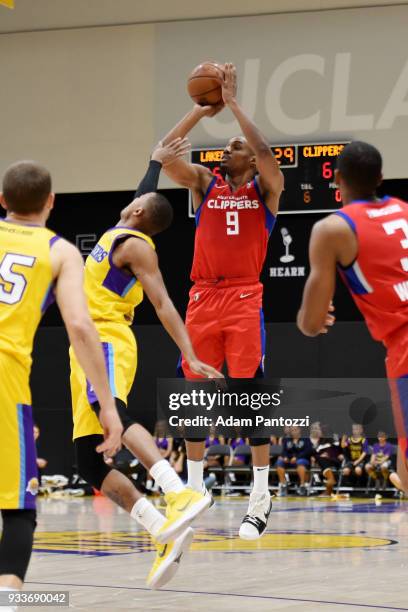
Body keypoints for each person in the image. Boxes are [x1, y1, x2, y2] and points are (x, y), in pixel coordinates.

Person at [69, 139, 223, 589]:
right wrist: (157, 159)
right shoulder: (122, 233)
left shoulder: (137, 246)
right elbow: (146, 189)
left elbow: (162, 302)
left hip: (105, 338)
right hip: (84, 345)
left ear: (138, 213)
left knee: (114, 410)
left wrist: (190, 351)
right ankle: (164, 531)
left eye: (136, 200)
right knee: (88, 462)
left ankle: (179, 491)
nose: (133, 198)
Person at [161, 63, 284, 540]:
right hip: (202, 297)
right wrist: (198, 110)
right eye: (228, 143)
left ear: (251, 161)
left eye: (235, 146)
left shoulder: (265, 191)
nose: (227, 147)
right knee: (193, 396)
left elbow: (266, 150)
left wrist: (232, 105)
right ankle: (194, 493)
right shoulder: (204, 184)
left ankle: (259, 497)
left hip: (243, 297)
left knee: (248, 398)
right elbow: (166, 155)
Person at [0, 161, 122, 611]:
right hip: (5, 374)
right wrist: (106, 405)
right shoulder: (61, 251)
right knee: (17, 507)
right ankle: (7, 597)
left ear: (2, 202)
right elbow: (80, 326)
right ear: (51, 202)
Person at [297, 140, 408, 494]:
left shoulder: (333, 229)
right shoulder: (405, 209)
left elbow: (310, 324)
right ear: (381, 177)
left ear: (337, 179)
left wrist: (316, 316)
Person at [276, 426, 313, 496]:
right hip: (289, 461)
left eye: (296, 429)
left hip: (302, 459)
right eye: (292, 430)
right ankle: (283, 485)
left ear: (300, 430)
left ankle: (302, 486)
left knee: (300, 462)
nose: (294, 431)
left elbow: (308, 451)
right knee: (279, 463)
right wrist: (285, 457)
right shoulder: (286, 439)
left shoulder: (306, 439)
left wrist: (297, 457)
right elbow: (284, 451)